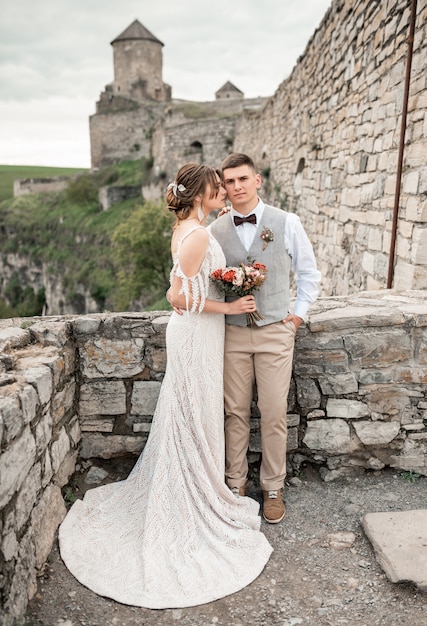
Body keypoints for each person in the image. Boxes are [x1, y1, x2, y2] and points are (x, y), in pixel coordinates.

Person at [59, 163, 273, 609]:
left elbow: (193, 274)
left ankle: (202, 485)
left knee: (193, 411)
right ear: (200, 194)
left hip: (200, 335)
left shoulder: (192, 226)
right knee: (193, 412)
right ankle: (192, 499)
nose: (223, 192)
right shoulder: (195, 235)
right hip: (196, 334)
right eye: (217, 188)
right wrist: (229, 307)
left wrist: (236, 274)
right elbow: (176, 296)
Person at [210, 153, 321, 524]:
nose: (237, 187)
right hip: (232, 336)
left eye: (243, 179)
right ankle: (234, 484)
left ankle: (273, 486)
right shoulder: (215, 231)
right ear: (223, 187)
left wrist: (296, 317)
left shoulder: (286, 222)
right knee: (234, 413)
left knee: (274, 413)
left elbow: (309, 273)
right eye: (229, 182)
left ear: (257, 180)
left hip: (276, 332)